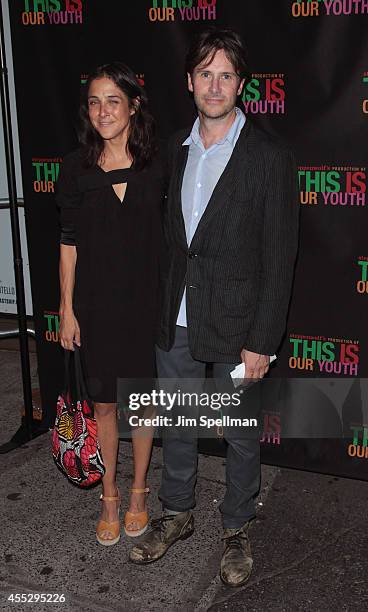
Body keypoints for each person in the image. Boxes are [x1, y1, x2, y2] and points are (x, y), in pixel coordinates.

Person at [129, 28, 299, 586]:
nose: (215, 85)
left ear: (242, 85)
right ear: (189, 82)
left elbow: (280, 258)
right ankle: (177, 512)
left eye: (226, 75)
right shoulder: (176, 150)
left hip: (238, 323)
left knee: (237, 430)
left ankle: (236, 526)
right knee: (178, 419)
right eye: (206, 74)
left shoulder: (268, 157)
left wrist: (262, 340)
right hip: (177, 316)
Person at [57, 62, 163, 545]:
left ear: (133, 105)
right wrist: (66, 307)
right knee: (103, 405)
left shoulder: (158, 164)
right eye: (94, 102)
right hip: (95, 306)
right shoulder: (74, 168)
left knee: (140, 406)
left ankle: (140, 490)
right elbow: (68, 241)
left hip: (146, 305)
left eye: (113, 100)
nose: (102, 111)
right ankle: (110, 493)